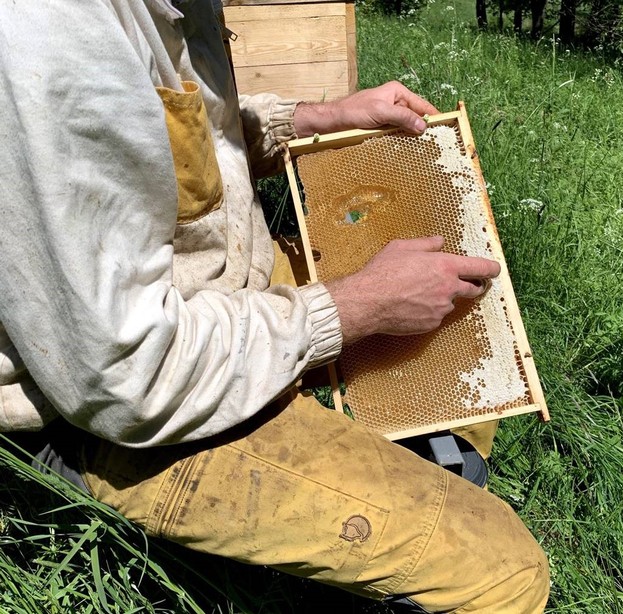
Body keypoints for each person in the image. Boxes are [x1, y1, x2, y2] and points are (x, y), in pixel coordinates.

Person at [0, 1, 549, 611]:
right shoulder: (50, 38)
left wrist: (316, 119)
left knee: (454, 280)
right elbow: (122, 374)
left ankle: (413, 470)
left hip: (211, 298)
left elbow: (189, 146)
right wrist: (355, 307)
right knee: (505, 574)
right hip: (109, 419)